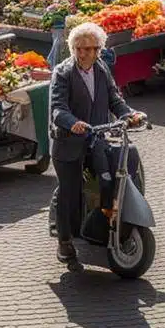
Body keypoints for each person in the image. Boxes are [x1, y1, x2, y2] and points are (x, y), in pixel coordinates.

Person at [48, 21, 144, 271]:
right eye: (79, 48)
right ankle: (65, 240)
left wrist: (129, 115)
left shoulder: (101, 69)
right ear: (73, 49)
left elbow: (115, 99)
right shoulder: (63, 72)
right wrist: (73, 123)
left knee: (109, 177)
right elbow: (58, 108)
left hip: (97, 138)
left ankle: (101, 227)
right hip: (68, 143)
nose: (84, 53)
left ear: (99, 50)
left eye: (90, 49)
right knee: (70, 191)